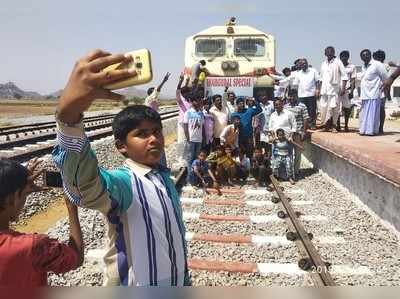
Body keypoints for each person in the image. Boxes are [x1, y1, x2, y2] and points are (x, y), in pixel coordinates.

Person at [52, 49, 189, 286]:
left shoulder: (163, 177)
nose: (154, 138)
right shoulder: (125, 183)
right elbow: (85, 188)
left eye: (156, 131)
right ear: (121, 146)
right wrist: (69, 118)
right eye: (142, 134)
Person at [0, 158, 83, 286]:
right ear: (11, 198)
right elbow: (76, 258)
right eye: (24, 195)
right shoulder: (34, 247)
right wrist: (72, 207)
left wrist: (20, 190)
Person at [359, 49, 389, 136]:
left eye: (367, 54)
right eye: (363, 55)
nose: (365, 56)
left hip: (374, 93)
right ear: (361, 58)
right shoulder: (363, 66)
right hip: (365, 94)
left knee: (373, 114)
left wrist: (385, 91)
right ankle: (363, 130)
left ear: (370, 55)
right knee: (364, 114)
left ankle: (371, 131)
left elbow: (385, 78)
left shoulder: (377, 64)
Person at [319, 46, 348, 133]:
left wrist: (343, 88)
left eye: (331, 51)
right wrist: (318, 89)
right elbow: (321, 78)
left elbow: (344, 76)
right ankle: (326, 125)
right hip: (324, 90)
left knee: (335, 109)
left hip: (334, 90)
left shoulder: (338, 62)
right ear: (325, 53)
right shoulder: (323, 63)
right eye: (327, 51)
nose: (329, 53)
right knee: (323, 108)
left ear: (334, 52)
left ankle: (334, 126)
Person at [284, 89, 309, 177]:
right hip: (288, 133)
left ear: (296, 96)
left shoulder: (302, 106)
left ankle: (296, 170)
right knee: (288, 152)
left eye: (292, 96)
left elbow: (305, 119)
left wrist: (304, 132)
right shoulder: (285, 106)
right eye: (289, 96)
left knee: (298, 153)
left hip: (298, 132)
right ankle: (288, 170)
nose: (291, 98)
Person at [295, 58, 320, 129]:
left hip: (311, 94)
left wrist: (317, 90)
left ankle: (312, 124)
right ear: (300, 65)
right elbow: (296, 85)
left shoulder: (313, 70)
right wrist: (296, 95)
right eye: (302, 64)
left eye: (305, 63)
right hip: (301, 95)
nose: (304, 65)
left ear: (307, 63)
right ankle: (304, 125)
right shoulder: (298, 73)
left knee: (312, 110)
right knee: (302, 110)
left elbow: (317, 81)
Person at [183, 95, 205, 177]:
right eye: (196, 100)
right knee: (190, 159)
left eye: (199, 100)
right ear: (192, 102)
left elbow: (202, 127)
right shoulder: (188, 113)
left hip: (199, 140)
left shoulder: (201, 113)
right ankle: (190, 178)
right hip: (191, 140)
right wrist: (188, 138)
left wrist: (203, 138)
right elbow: (185, 126)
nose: (198, 102)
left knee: (196, 160)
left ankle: (195, 177)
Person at [338, 51, 357, 132]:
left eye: (346, 56)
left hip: (347, 90)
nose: (344, 58)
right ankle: (337, 125)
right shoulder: (338, 66)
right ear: (340, 57)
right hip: (338, 90)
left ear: (348, 57)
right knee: (337, 108)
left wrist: (352, 91)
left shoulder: (352, 67)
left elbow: (353, 80)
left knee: (347, 108)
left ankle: (346, 125)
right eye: (342, 56)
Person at [373, 50, 390, 134]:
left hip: (382, 90)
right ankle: (374, 126)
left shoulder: (386, 66)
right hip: (373, 90)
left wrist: (388, 93)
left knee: (381, 109)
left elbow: (388, 79)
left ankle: (381, 127)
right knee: (374, 109)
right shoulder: (373, 65)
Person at [176, 74, 192, 166]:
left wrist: (187, 81)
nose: (187, 94)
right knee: (181, 141)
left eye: (188, 93)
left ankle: (186, 159)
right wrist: (181, 81)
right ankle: (180, 160)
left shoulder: (189, 101)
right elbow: (178, 92)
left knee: (187, 141)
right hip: (182, 123)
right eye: (185, 93)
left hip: (189, 123)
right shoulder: (181, 101)